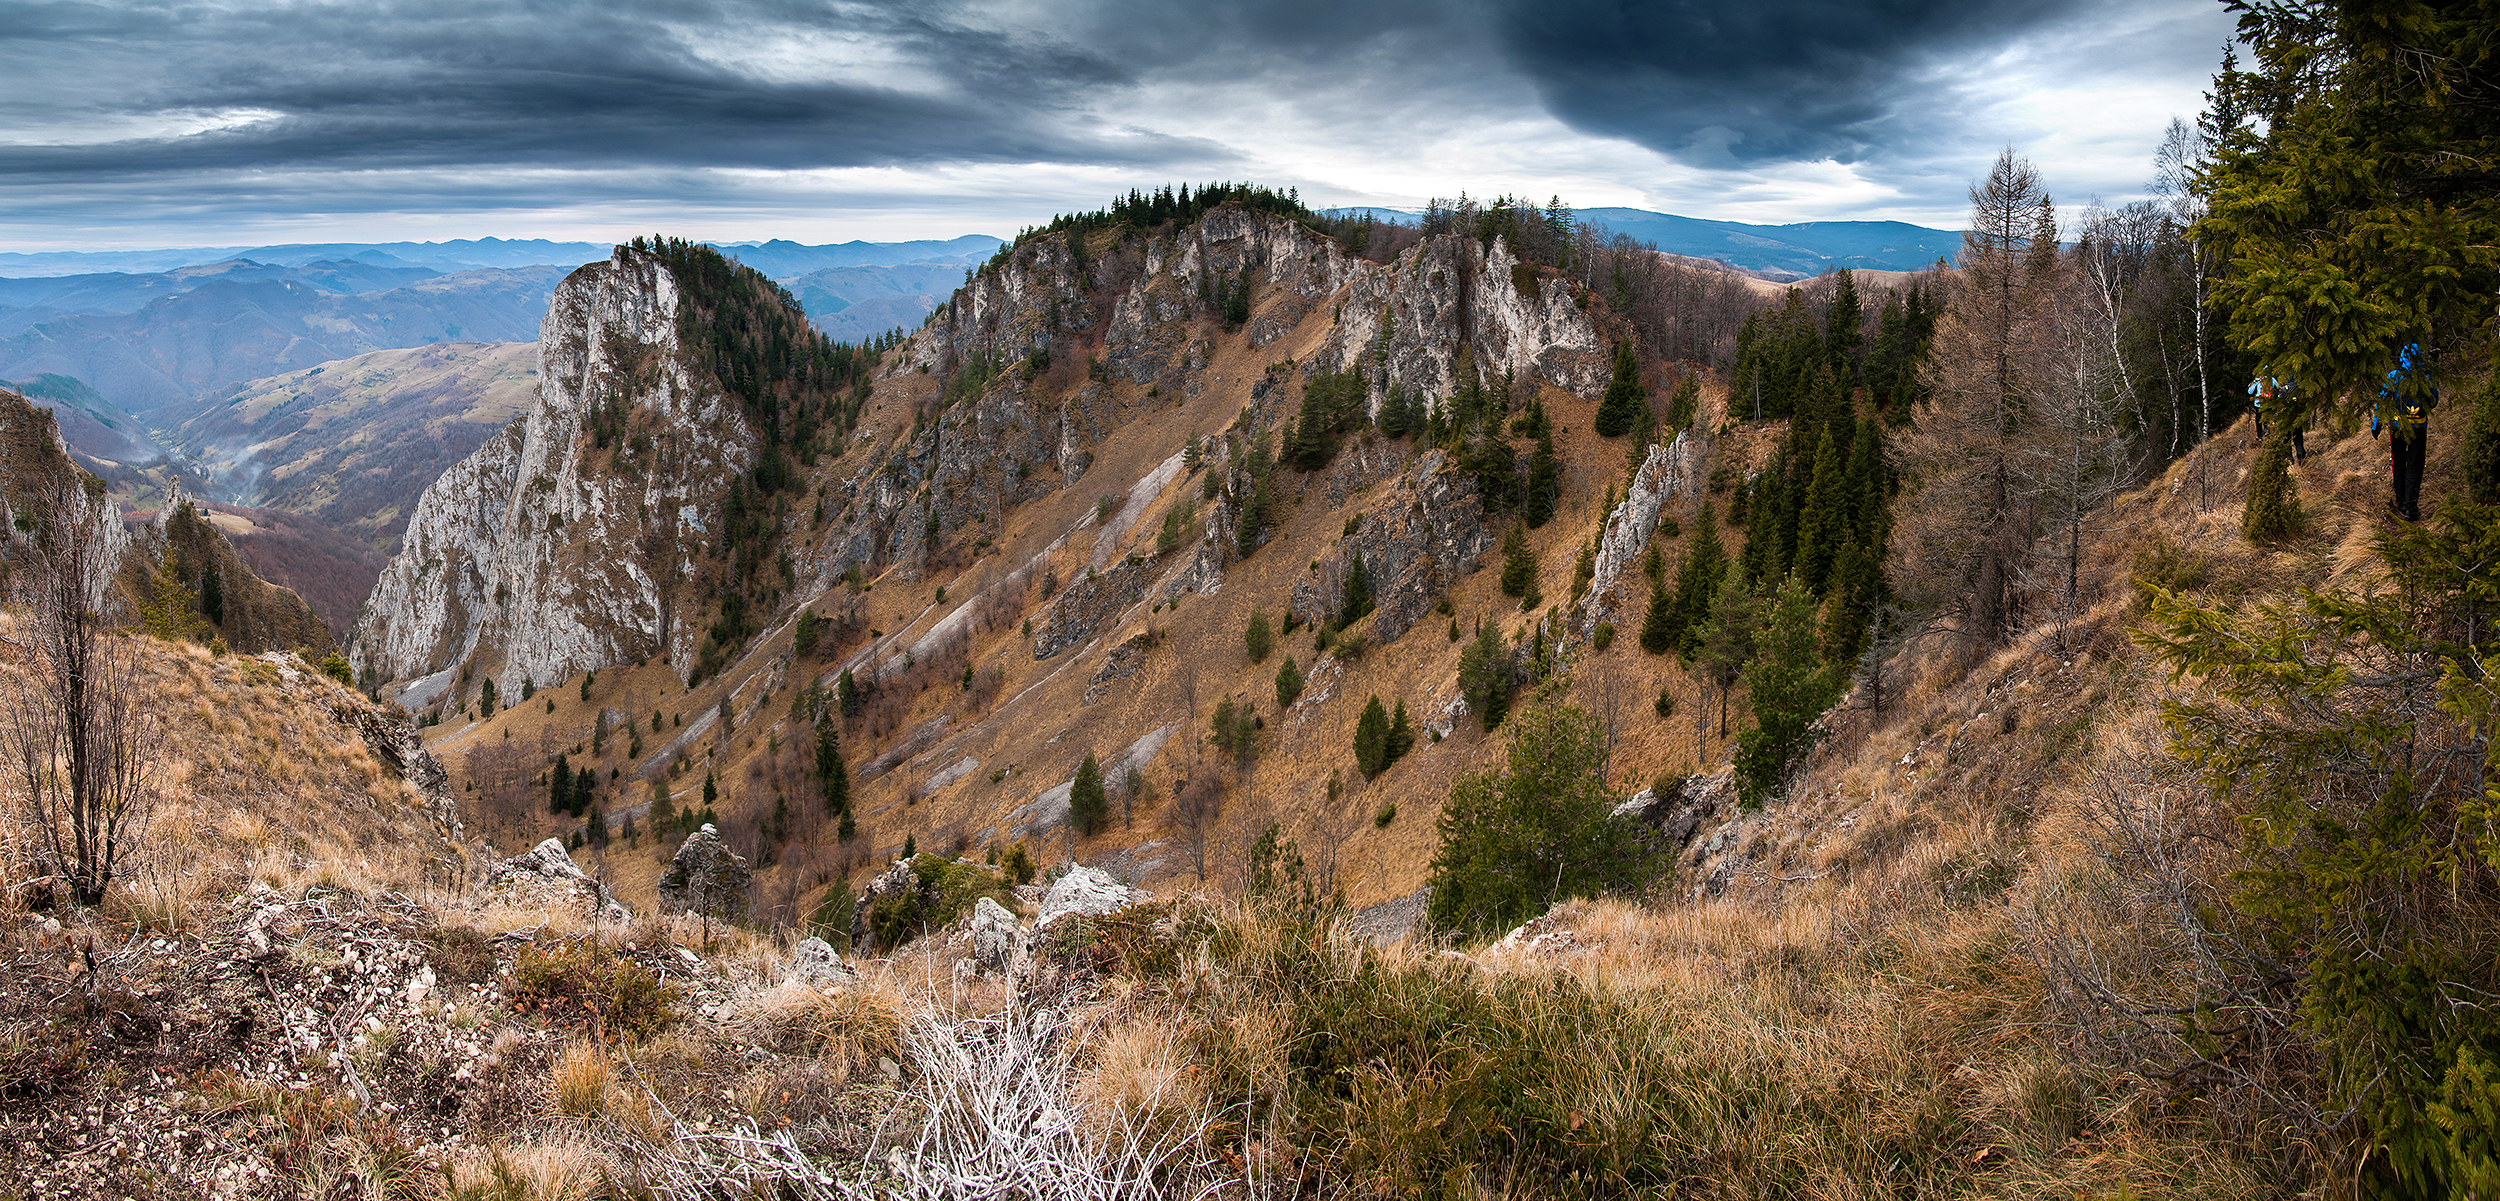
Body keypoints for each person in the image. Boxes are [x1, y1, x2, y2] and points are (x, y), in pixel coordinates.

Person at [2377, 344, 2437, 521]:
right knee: (2415, 464)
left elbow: (2382, 400)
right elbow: (2433, 401)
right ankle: (2411, 507)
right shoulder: (2425, 377)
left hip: (2397, 427)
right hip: (2418, 427)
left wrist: (2376, 425)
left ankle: (2401, 502)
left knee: (2398, 462)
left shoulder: (2394, 376)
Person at [2248, 374, 2307, 464]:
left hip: (2284, 417)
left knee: (2286, 438)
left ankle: (2289, 459)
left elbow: (2279, 404)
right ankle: (2300, 451)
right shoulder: (2300, 389)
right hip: (2297, 416)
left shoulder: (2283, 389)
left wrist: (2275, 417)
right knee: (2298, 436)